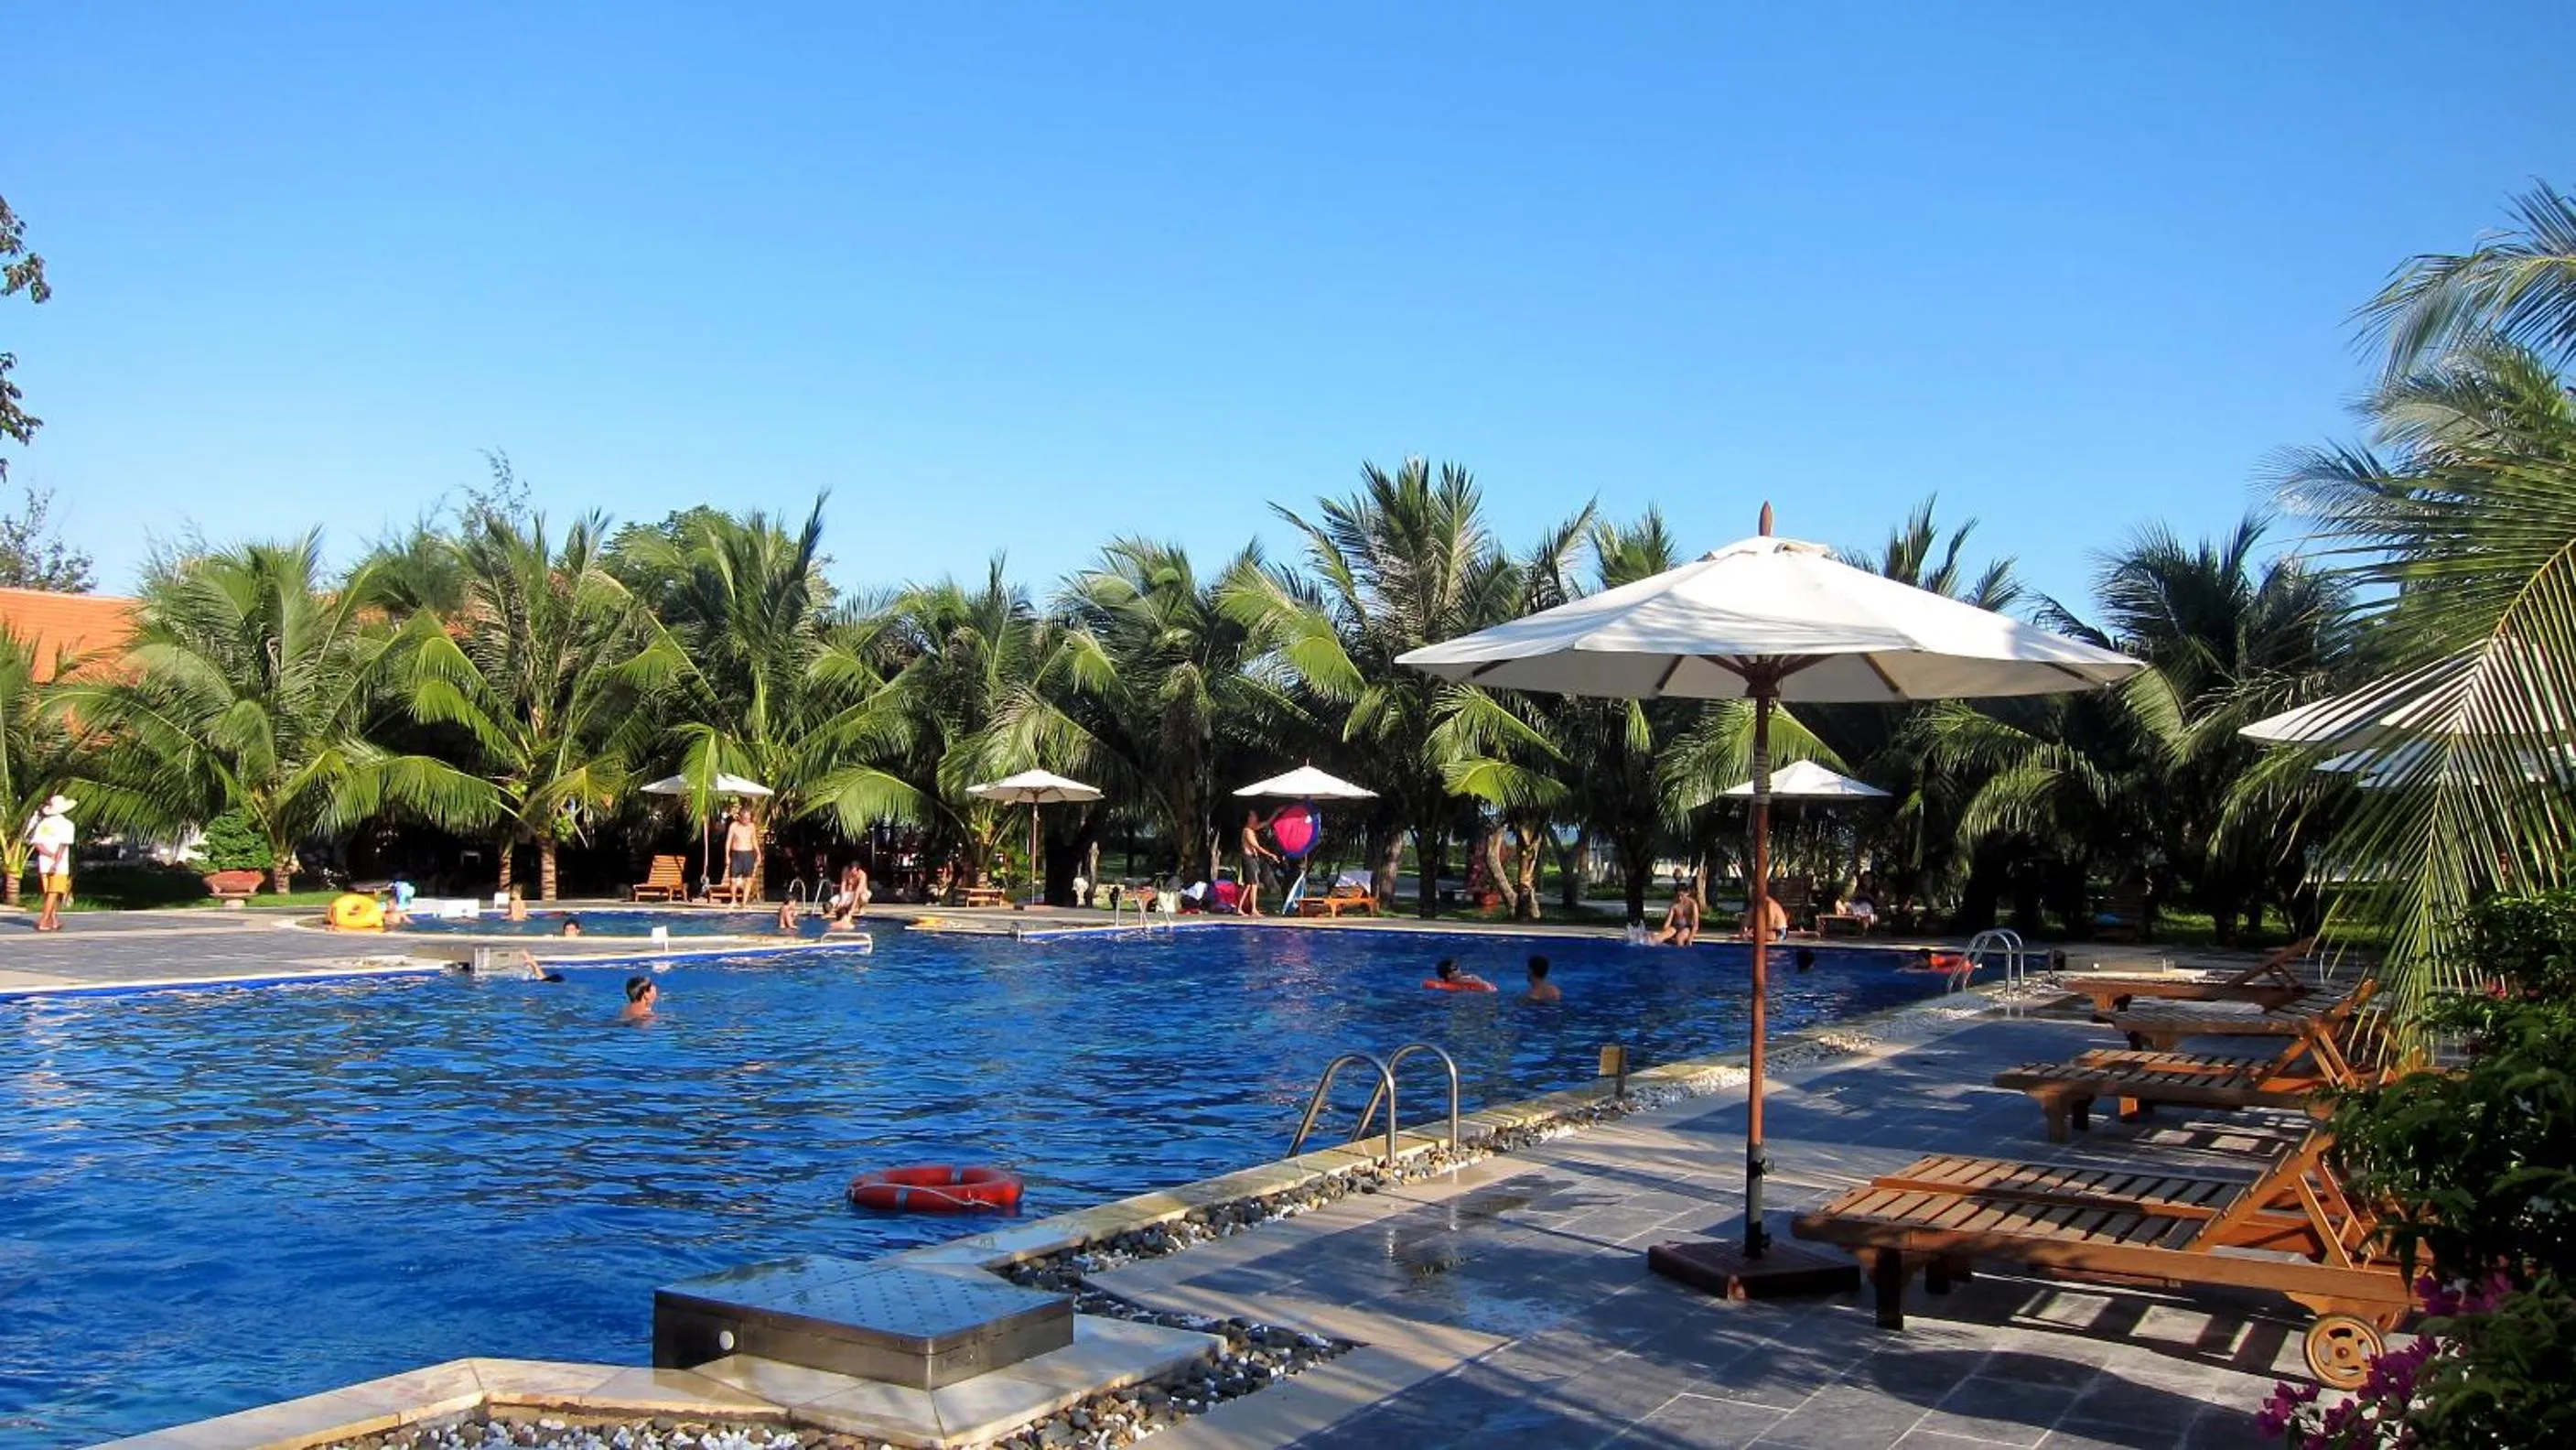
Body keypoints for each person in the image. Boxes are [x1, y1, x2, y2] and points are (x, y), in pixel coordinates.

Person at [29, 795, 75, 932]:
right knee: (53, 892)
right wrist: (56, 859)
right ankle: (43, 921)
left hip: (44, 861)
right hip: (59, 864)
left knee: (48, 892)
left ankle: (54, 920)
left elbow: (37, 843)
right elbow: (63, 845)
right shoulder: (68, 825)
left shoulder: (43, 824)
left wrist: (48, 854)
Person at [1239, 810, 1282, 917]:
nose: (1256, 818)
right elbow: (1257, 847)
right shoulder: (1247, 831)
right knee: (1253, 884)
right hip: (1248, 859)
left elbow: (1267, 823)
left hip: (1252, 859)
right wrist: (1270, 855)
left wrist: (1276, 812)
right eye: (1254, 816)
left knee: (1249, 885)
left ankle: (1240, 908)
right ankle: (1252, 909)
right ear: (1248, 818)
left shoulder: (1252, 829)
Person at [722, 806, 760, 902]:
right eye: (745, 818)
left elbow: (754, 840)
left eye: (749, 818)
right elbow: (728, 842)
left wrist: (758, 853)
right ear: (740, 817)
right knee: (733, 880)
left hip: (748, 854)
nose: (747, 820)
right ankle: (733, 899)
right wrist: (727, 856)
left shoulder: (752, 826)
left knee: (748, 880)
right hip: (736, 854)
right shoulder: (734, 826)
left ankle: (744, 902)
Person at [1650, 881, 1701, 947]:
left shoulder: (1692, 904)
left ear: (1687, 893)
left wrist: (1690, 938)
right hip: (1675, 927)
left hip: (1687, 927)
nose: (1680, 898)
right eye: (1678, 896)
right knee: (1659, 937)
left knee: (1679, 938)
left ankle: (1681, 955)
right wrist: (1665, 933)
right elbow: (1667, 922)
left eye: (1682, 896)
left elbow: (1696, 925)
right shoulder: (1674, 905)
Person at [1427, 958, 1496, 992]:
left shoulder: (1466, 979)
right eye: (1455, 968)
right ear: (1449, 975)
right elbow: (1487, 988)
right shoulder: (1465, 980)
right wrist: (1476, 980)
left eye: (1457, 966)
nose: (1459, 968)